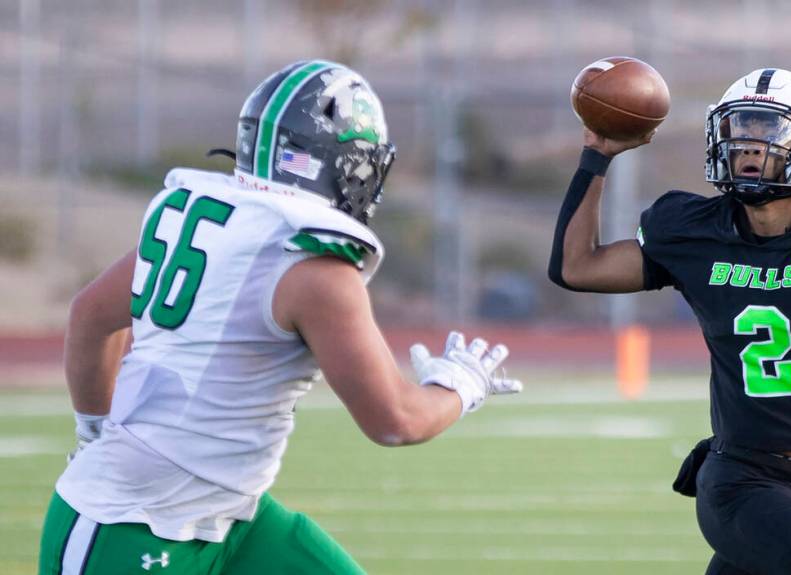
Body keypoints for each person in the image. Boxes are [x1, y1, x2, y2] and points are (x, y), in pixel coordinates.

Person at [38, 59, 522, 575]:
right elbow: (396, 421)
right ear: (326, 162)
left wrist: (94, 430)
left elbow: (90, 315)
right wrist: (460, 386)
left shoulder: (201, 213)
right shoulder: (313, 265)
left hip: (232, 515)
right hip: (130, 521)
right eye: (358, 164)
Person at [548, 68, 791, 574]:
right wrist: (597, 156)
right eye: (738, 128)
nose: (747, 145)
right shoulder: (695, 231)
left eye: (768, 131)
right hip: (741, 481)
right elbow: (577, 266)